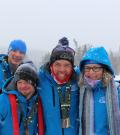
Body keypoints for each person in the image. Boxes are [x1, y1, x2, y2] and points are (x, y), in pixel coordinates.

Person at [38, 37, 79, 135]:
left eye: (67, 65)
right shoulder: (41, 79)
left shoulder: (79, 80)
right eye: (57, 64)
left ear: (72, 67)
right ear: (51, 65)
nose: (62, 69)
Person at [78, 46, 120, 135]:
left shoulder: (116, 91)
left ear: (104, 69)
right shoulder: (80, 89)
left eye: (96, 68)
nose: (91, 72)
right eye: (87, 68)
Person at [0, 63, 44, 135]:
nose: (22, 86)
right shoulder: (4, 100)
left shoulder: (38, 102)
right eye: (19, 82)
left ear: (34, 83)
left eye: (27, 82)